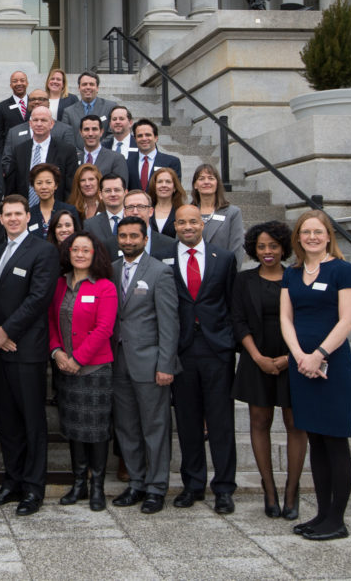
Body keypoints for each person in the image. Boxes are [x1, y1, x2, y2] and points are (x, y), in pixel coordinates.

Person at [281, 211, 351, 541]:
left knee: (335, 441)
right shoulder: (293, 273)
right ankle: (322, 514)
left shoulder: (343, 270)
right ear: (298, 238)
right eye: (305, 232)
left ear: (329, 236)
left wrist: (318, 356)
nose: (312, 236)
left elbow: (346, 321)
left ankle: (337, 520)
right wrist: (299, 356)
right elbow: (286, 318)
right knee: (314, 439)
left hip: (332, 366)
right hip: (302, 367)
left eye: (318, 231)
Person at [0, 195, 59, 516]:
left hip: (26, 349)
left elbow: (38, 298)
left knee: (31, 421)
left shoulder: (44, 251)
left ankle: (33, 487)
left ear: (28, 216)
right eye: (7, 214)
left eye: (18, 213)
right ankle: (11, 481)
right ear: (0, 219)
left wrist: (7, 331)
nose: (13, 219)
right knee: (8, 422)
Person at [233, 221, 306, 520]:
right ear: (253, 248)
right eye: (261, 246)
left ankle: (292, 490)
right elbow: (238, 321)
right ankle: (270, 490)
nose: (267, 251)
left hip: (295, 360)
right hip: (256, 358)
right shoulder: (243, 280)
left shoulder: (298, 278)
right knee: (259, 420)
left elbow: (307, 322)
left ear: (284, 248)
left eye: (273, 246)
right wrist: (258, 357)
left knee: (295, 424)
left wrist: (289, 358)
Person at [109, 216, 180, 515]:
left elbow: (170, 323)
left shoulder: (160, 272)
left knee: (155, 427)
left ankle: (156, 487)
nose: (127, 241)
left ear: (145, 238)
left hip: (151, 364)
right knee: (126, 427)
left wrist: (166, 364)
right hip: (118, 361)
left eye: (133, 236)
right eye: (123, 236)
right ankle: (136, 482)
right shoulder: (110, 270)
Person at [171, 205, 238, 515]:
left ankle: (224, 488)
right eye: (182, 222)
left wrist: (229, 343)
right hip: (183, 350)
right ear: (174, 225)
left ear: (202, 224)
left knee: (221, 422)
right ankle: (193, 484)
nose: (188, 227)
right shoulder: (165, 260)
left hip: (216, 350)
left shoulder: (223, 259)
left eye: (193, 221)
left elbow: (232, 303)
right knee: (187, 421)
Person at [47, 231, 118, 511]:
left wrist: (78, 358)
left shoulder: (104, 287)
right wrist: (57, 352)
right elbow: (51, 322)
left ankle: (97, 486)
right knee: (74, 429)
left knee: (97, 430)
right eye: (75, 249)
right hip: (66, 367)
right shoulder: (59, 285)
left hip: (95, 369)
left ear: (94, 254)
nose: (79, 254)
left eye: (85, 250)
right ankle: (79, 483)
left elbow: (104, 329)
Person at [6, 105, 78, 204]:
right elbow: (11, 185)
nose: (39, 124)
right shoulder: (19, 150)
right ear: (30, 123)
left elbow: (70, 187)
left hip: (56, 211)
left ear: (52, 124)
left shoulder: (66, 151)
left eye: (43, 120)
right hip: (24, 210)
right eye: (35, 120)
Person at [192, 164, 244, 266]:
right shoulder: (188, 212)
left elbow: (237, 248)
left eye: (211, 178)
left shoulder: (232, 213)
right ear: (195, 185)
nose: (206, 182)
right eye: (201, 179)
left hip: (221, 273)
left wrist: (232, 275)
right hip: (193, 272)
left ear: (217, 183)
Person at [127, 119, 182, 193]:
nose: (144, 138)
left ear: (156, 137)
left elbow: (176, 190)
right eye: (140, 136)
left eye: (148, 135)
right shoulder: (127, 163)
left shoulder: (171, 162)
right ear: (135, 139)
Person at [28, 163, 80, 238]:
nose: (44, 187)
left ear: (55, 185)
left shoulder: (69, 210)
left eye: (48, 182)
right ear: (33, 187)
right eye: (39, 183)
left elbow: (77, 237)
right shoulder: (29, 214)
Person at [84, 173, 127, 260]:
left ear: (125, 192)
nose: (113, 194)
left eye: (117, 190)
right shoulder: (90, 225)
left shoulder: (135, 221)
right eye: (108, 191)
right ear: (100, 195)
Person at [78, 114, 127, 181]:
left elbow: (121, 187)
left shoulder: (116, 159)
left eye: (94, 129)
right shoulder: (75, 158)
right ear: (81, 132)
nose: (90, 134)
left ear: (101, 132)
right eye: (86, 129)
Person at [0, 70, 31, 152]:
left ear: (27, 83)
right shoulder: (1, 107)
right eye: (15, 81)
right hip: (11, 153)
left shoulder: (35, 104)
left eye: (22, 80)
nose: (19, 83)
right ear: (10, 85)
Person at [149, 167, 186, 238]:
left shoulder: (182, 211)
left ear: (174, 187)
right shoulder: (146, 209)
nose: (164, 185)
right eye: (160, 182)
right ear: (154, 186)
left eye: (168, 182)